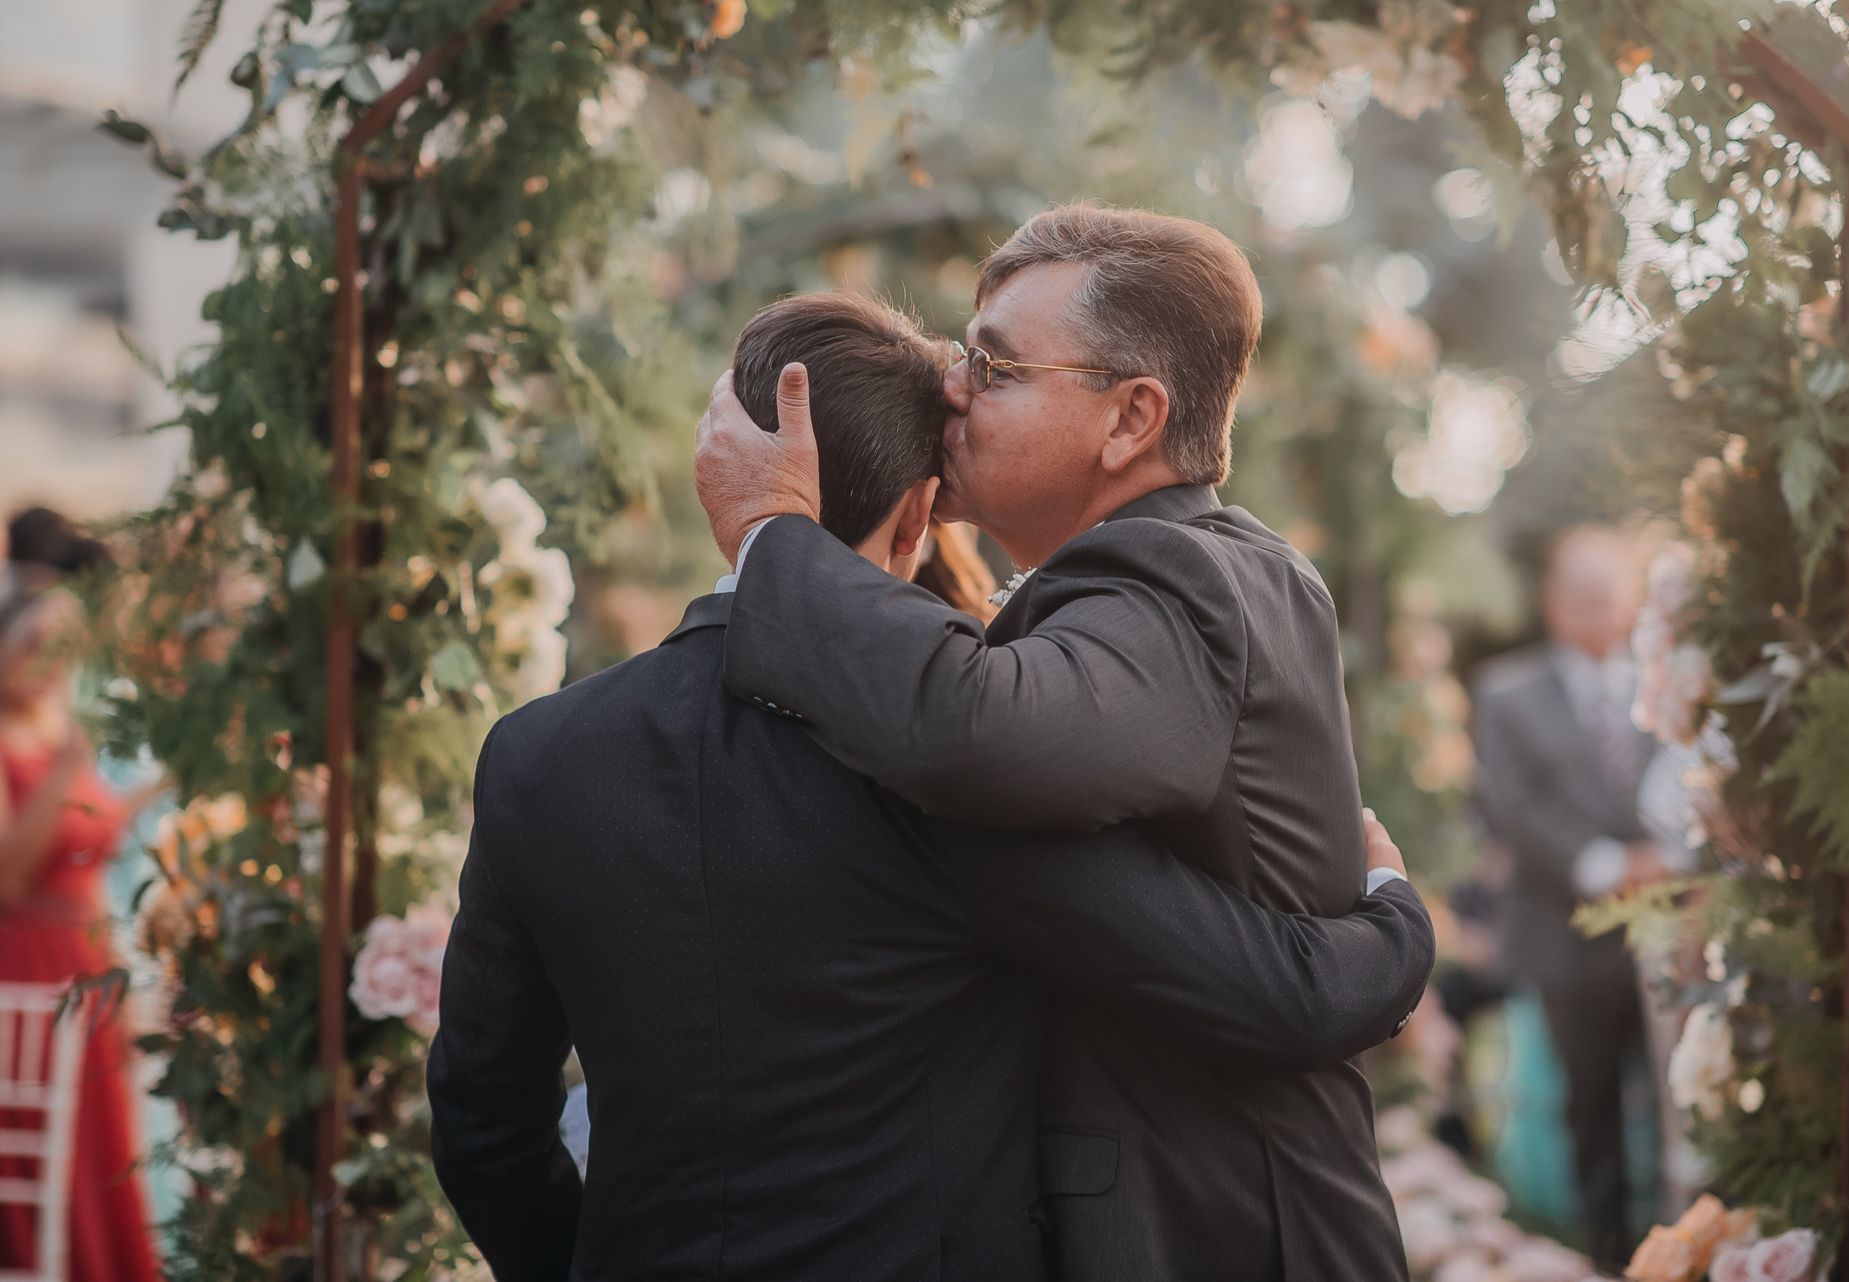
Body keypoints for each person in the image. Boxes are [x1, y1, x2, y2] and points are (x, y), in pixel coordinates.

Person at [430, 292, 1434, 1282]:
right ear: (919, 510)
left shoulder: (533, 755)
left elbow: (483, 1127)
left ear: (732, 471)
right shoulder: (941, 777)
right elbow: (1260, 988)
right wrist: (1388, 918)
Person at [695, 206, 1417, 1280]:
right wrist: (1382, 940)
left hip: (1212, 1240)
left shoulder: (1180, 578)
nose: (952, 387)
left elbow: (972, 734)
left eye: (994, 366)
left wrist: (773, 539)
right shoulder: (1181, 573)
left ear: (1131, 418)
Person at [1469, 526, 1661, 1270]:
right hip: (1568, 938)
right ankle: (1610, 1256)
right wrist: (1604, 863)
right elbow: (1511, 804)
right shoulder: (1507, 692)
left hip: (1666, 934)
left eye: (1608, 589)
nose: (1594, 604)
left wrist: (1666, 861)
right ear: (1552, 602)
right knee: (1594, 1114)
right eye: (1579, 590)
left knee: (1684, 1108)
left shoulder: (1670, 682)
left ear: (1633, 600)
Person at [0, 540, 161, 1282]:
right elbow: (10, 873)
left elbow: (92, 851)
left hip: (90, 968)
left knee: (103, 1147)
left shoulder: (66, 732)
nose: (47, 661)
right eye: (33, 644)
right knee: (44, 1151)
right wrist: (68, 765)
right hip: (25, 972)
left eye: (57, 647)